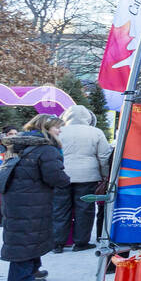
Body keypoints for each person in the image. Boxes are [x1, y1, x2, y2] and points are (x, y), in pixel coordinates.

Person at [1, 115, 71, 281]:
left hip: (19, 197)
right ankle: (19, 279)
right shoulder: (46, 149)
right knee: (27, 235)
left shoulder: (21, 144)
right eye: (57, 127)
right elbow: (54, 175)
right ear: (46, 127)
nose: (59, 131)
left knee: (29, 233)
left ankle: (31, 269)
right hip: (31, 198)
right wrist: (66, 181)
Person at [54, 105, 112, 252]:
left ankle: (58, 243)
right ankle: (81, 242)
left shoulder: (59, 132)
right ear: (88, 117)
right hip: (88, 176)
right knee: (85, 209)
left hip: (61, 175)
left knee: (60, 209)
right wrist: (105, 174)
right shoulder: (96, 132)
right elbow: (104, 156)